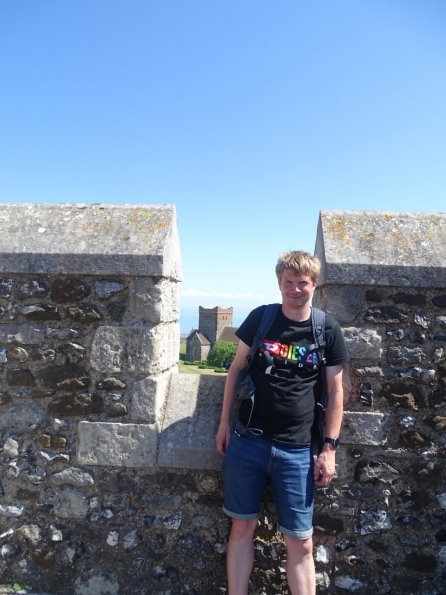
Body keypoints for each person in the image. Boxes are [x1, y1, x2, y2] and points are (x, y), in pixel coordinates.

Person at [215, 250, 349, 595]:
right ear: (280, 284)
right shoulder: (262, 319)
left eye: (302, 283)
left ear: (314, 284)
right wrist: (223, 424)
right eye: (288, 283)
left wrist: (329, 450)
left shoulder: (326, 329)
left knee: (301, 544)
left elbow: (335, 392)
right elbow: (236, 371)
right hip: (248, 442)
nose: (295, 289)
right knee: (242, 529)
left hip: (298, 450)